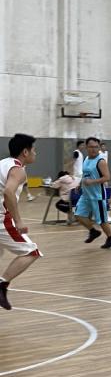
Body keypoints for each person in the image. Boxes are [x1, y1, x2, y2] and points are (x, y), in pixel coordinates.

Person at [0, 133, 43, 310]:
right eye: (34, 150)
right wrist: (18, 221)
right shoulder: (18, 170)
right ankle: (2, 285)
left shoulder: (3, 163)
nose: (35, 153)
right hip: (2, 219)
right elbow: (8, 192)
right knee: (31, 251)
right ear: (25, 152)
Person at [75, 137, 111, 249]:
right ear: (86, 147)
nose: (94, 149)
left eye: (96, 147)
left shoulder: (101, 161)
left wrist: (92, 181)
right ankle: (93, 231)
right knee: (78, 215)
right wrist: (80, 184)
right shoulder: (86, 159)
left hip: (97, 196)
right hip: (86, 194)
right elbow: (85, 174)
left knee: (101, 220)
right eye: (91, 147)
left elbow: (107, 177)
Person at [99, 141, 111, 210]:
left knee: (107, 188)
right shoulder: (99, 153)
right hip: (100, 173)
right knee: (103, 188)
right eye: (102, 146)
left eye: (105, 146)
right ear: (100, 147)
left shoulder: (106, 153)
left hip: (105, 172)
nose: (104, 147)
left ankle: (108, 204)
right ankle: (105, 204)